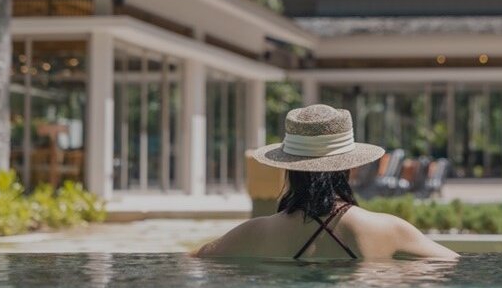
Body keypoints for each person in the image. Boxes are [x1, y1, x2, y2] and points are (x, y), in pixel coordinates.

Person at [195, 104, 458, 260]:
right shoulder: (389, 230)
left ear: (288, 166)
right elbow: (453, 264)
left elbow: (194, 259)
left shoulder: (254, 233)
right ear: (349, 165)